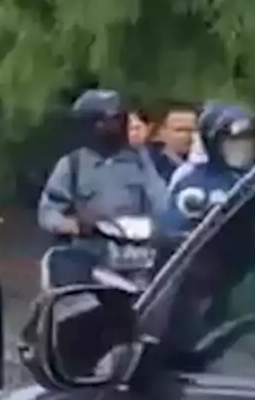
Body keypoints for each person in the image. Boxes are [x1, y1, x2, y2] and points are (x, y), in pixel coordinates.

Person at [37, 89, 169, 288]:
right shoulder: (73, 165)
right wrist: (73, 225)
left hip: (137, 259)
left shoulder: (141, 162)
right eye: (108, 120)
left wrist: (161, 228)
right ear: (91, 124)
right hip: (88, 261)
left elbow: (162, 203)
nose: (114, 126)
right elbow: (48, 212)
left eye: (118, 119)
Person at [160, 103, 255, 236]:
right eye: (233, 143)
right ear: (213, 144)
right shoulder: (193, 183)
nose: (242, 150)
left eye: (248, 141)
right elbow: (174, 233)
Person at [142, 100, 198, 182]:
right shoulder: (147, 165)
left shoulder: (204, 164)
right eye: (180, 130)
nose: (188, 135)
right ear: (160, 132)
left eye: (194, 130)